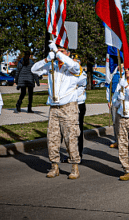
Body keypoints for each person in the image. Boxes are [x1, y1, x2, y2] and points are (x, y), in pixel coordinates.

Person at [31, 42, 82, 179]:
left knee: (70, 138)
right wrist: (47, 59)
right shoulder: (52, 66)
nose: (59, 53)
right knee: (52, 138)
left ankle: (74, 167)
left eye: (63, 51)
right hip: (54, 108)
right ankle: (54, 166)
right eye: (57, 50)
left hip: (69, 108)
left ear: (68, 53)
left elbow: (74, 66)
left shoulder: (73, 66)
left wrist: (58, 53)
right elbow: (34, 70)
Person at [72, 53, 87, 158]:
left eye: (76, 61)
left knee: (78, 130)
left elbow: (74, 82)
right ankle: (71, 153)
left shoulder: (83, 75)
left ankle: (79, 154)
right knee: (70, 131)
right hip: (69, 105)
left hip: (79, 105)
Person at [107, 66, 122, 148]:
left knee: (122, 122)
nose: (121, 66)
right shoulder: (113, 75)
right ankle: (117, 140)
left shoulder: (127, 76)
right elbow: (108, 88)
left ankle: (123, 141)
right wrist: (108, 100)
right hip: (114, 100)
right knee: (115, 122)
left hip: (123, 102)